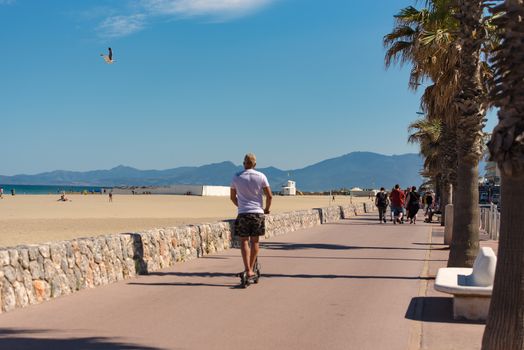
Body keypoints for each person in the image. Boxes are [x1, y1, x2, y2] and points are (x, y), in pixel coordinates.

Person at [230, 153, 272, 279]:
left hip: (243, 213)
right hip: (257, 213)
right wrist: (266, 209)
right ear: (255, 164)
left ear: (244, 164)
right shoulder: (261, 176)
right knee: (255, 242)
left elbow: (232, 197)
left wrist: (240, 206)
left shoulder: (236, 176)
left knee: (244, 241)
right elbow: (269, 196)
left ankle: (247, 268)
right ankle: (251, 270)